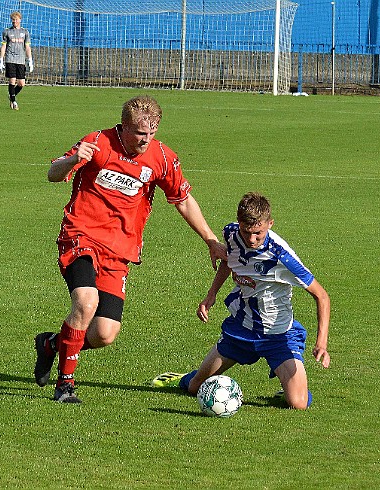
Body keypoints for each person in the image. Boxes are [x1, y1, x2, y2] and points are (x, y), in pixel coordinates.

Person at [34, 95, 227, 403]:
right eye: (139, 134)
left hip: (119, 250)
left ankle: (52, 345)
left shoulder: (161, 157)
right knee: (85, 302)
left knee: (104, 333)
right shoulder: (97, 142)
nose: (145, 140)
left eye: (151, 134)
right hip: (81, 236)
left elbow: (183, 199)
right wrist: (72, 159)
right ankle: (65, 385)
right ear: (123, 127)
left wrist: (211, 240)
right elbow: (53, 173)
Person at [152, 192, 331, 410]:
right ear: (239, 224)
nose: (252, 239)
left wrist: (321, 343)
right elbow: (230, 260)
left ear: (270, 224)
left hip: (278, 335)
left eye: (258, 233)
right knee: (194, 388)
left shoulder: (281, 256)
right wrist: (211, 295)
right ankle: (186, 377)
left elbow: (321, 296)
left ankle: (289, 387)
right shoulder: (231, 234)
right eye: (247, 232)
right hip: (242, 329)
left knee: (298, 403)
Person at [0, 11, 33, 110]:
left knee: (21, 83)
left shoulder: (25, 32)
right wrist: (1, 60)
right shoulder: (7, 31)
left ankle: (11, 96)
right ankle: (14, 102)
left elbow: (27, 47)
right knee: (12, 79)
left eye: (16, 19)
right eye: (13, 20)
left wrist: (30, 60)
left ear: (20, 20)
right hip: (10, 59)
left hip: (21, 60)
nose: (14, 21)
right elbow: (3, 46)